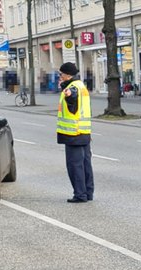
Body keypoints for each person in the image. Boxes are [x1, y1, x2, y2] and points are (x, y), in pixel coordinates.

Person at [56, 62, 93, 203]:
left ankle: (80, 194)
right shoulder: (81, 86)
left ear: (67, 75)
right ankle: (88, 193)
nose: (60, 77)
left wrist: (68, 94)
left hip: (73, 134)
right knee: (85, 165)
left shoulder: (72, 88)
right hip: (83, 132)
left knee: (75, 166)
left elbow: (72, 99)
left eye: (61, 74)